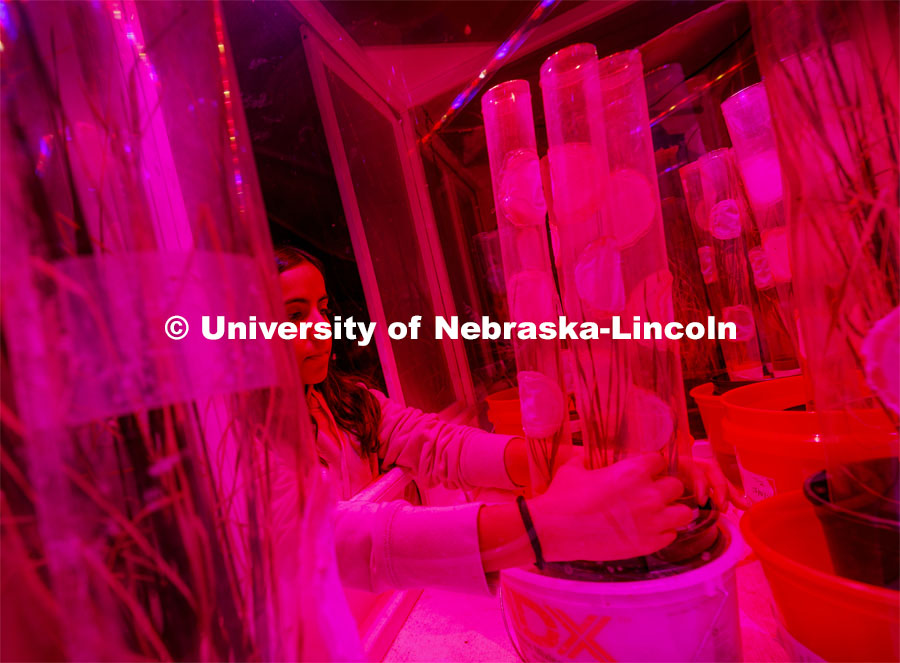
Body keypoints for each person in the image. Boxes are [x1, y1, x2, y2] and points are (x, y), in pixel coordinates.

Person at [273, 246, 737, 595]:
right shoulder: (235, 447)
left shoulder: (350, 403)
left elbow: (444, 445)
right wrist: (545, 525)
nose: (321, 326)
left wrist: (623, 462)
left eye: (324, 308)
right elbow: (328, 541)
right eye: (295, 315)